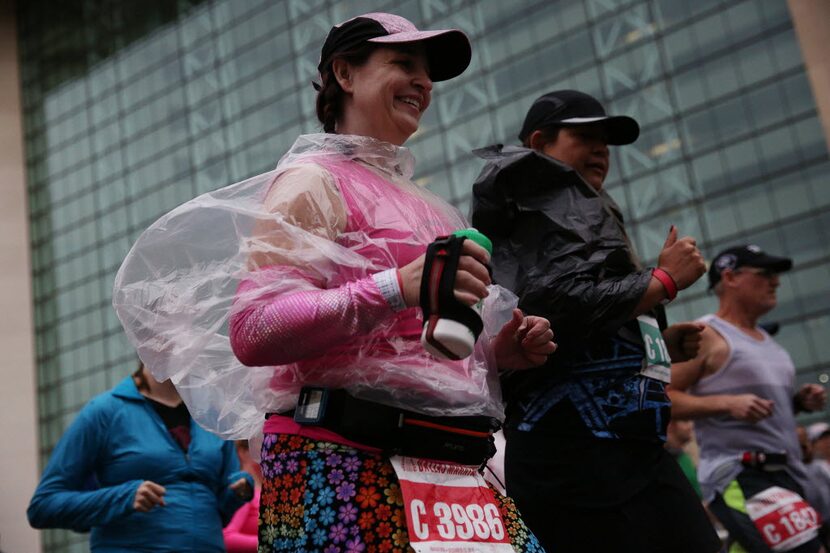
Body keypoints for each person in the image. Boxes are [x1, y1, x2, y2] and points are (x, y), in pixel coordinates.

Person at [112, 12, 556, 553]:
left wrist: (496, 352)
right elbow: (254, 330)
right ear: (344, 74)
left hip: (452, 468)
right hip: (339, 461)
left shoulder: (433, 208)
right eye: (403, 63)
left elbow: (419, 348)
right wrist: (396, 286)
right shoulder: (312, 182)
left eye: (429, 73)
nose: (424, 82)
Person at [470, 89, 720, 552]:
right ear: (540, 142)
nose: (601, 148)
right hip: (574, 451)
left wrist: (657, 336)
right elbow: (554, 304)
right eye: (584, 135)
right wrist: (662, 281)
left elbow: (583, 311)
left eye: (605, 139)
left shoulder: (577, 208)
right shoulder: (534, 194)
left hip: (627, 447)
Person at [669, 245, 827, 553]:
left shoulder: (771, 344)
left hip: (790, 476)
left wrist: (796, 402)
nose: (776, 282)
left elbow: (763, 410)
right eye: (765, 274)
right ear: (730, 277)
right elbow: (662, 397)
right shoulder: (707, 334)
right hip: (742, 475)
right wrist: (726, 403)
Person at [27, 362, 253, 552]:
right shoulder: (104, 411)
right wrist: (123, 497)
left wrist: (237, 490)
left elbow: (220, 510)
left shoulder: (213, 416)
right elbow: (43, 506)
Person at [223, 440, 262, 553]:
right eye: (261, 450)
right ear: (244, 452)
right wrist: (270, 543)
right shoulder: (242, 487)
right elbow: (226, 537)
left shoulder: (265, 489)